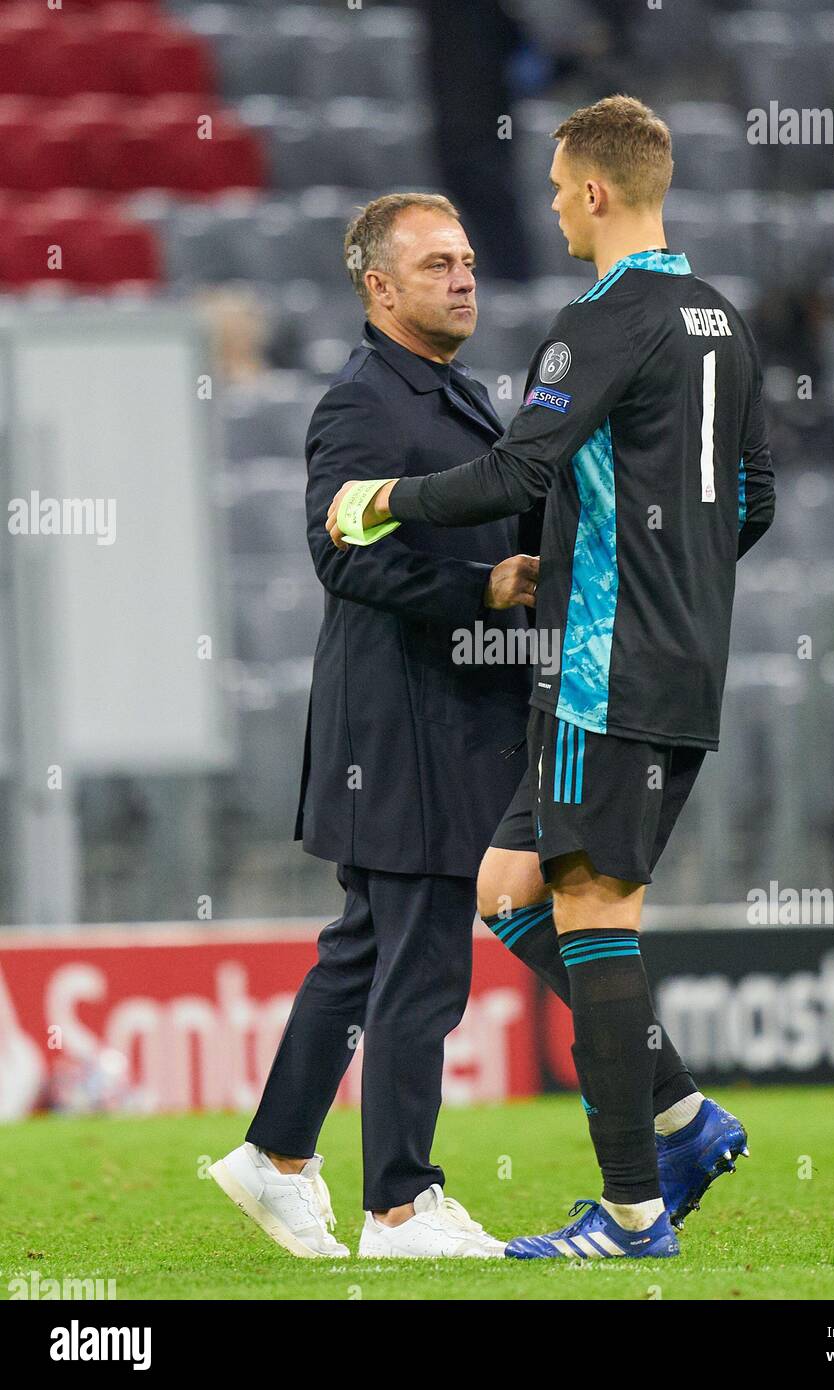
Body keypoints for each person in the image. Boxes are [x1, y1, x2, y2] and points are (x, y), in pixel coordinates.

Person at [326, 96, 775, 1259]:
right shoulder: (723, 319)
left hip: (602, 671)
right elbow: (754, 499)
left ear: (589, 193)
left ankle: (632, 1212)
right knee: (509, 888)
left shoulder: (600, 321)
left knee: (590, 911)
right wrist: (676, 578)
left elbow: (513, 468)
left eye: (553, 191)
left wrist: (380, 503)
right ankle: (678, 1115)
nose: (551, 212)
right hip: (678, 659)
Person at [210, 193, 540, 1259]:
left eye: (470, 259)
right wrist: (480, 590)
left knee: (364, 953)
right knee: (421, 963)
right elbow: (343, 553)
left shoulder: (450, 393)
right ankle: (399, 1203)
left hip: (437, 716)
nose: (463, 277)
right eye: (438, 262)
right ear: (379, 286)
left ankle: (275, 1156)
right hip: (403, 729)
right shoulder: (361, 403)